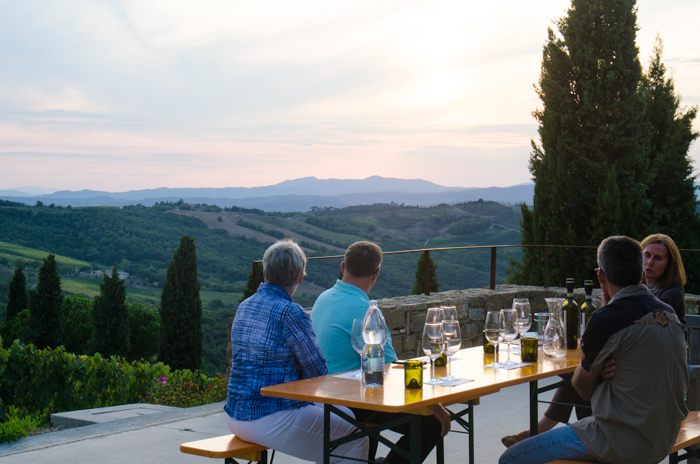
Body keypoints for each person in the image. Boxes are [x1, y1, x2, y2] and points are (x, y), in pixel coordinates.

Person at [499, 236, 688, 464]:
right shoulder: (668, 312)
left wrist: (596, 372)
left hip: (621, 441)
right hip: (663, 436)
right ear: (640, 274)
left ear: (600, 276)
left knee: (512, 458)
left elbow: (583, 390)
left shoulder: (606, 319)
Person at [224, 239, 368, 464]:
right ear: (300, 277)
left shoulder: (245, 305)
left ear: (264, 272)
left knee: (345, 418)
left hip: (235, 414)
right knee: (357, 436)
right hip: (270, 417)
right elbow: (318, 372)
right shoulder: (290, 312)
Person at [311, 241, 450, 464]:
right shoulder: (366, 311)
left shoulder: (322, 298)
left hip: (323, 397)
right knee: (430, 422)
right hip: (351, 401)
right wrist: (432, 403)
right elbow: (390, 370)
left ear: (343, 266)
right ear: (376, 274)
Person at [641, 233, 686, 324]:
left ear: (669, 265)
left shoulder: (673, 292)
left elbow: (649, 323)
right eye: (647, 255)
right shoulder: (636, 286)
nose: (650, 262)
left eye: (658, 258)